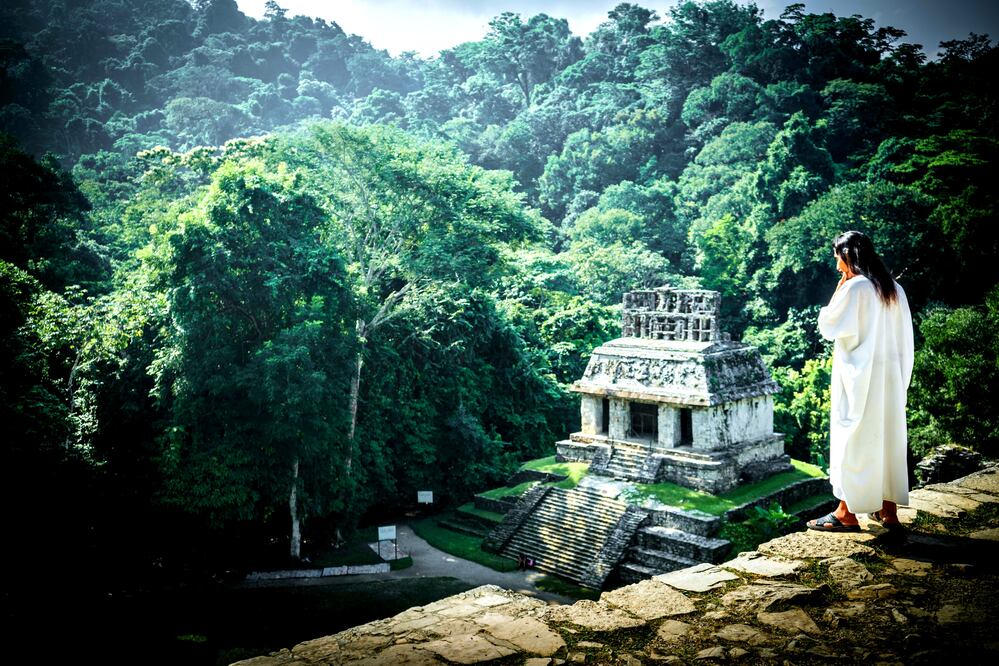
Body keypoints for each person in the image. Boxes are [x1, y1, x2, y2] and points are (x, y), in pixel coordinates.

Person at [806, 231, 914, 532]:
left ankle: (845, 512)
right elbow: (906, 339)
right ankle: (888, 511)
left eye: (837, 256)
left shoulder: (856, 288)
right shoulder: (894, 288)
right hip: (889, 378)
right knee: (886, 440)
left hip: (860, 379)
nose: (836, 263)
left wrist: (840, 289)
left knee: (852, 440)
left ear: (847, 255)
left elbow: (828, 325)